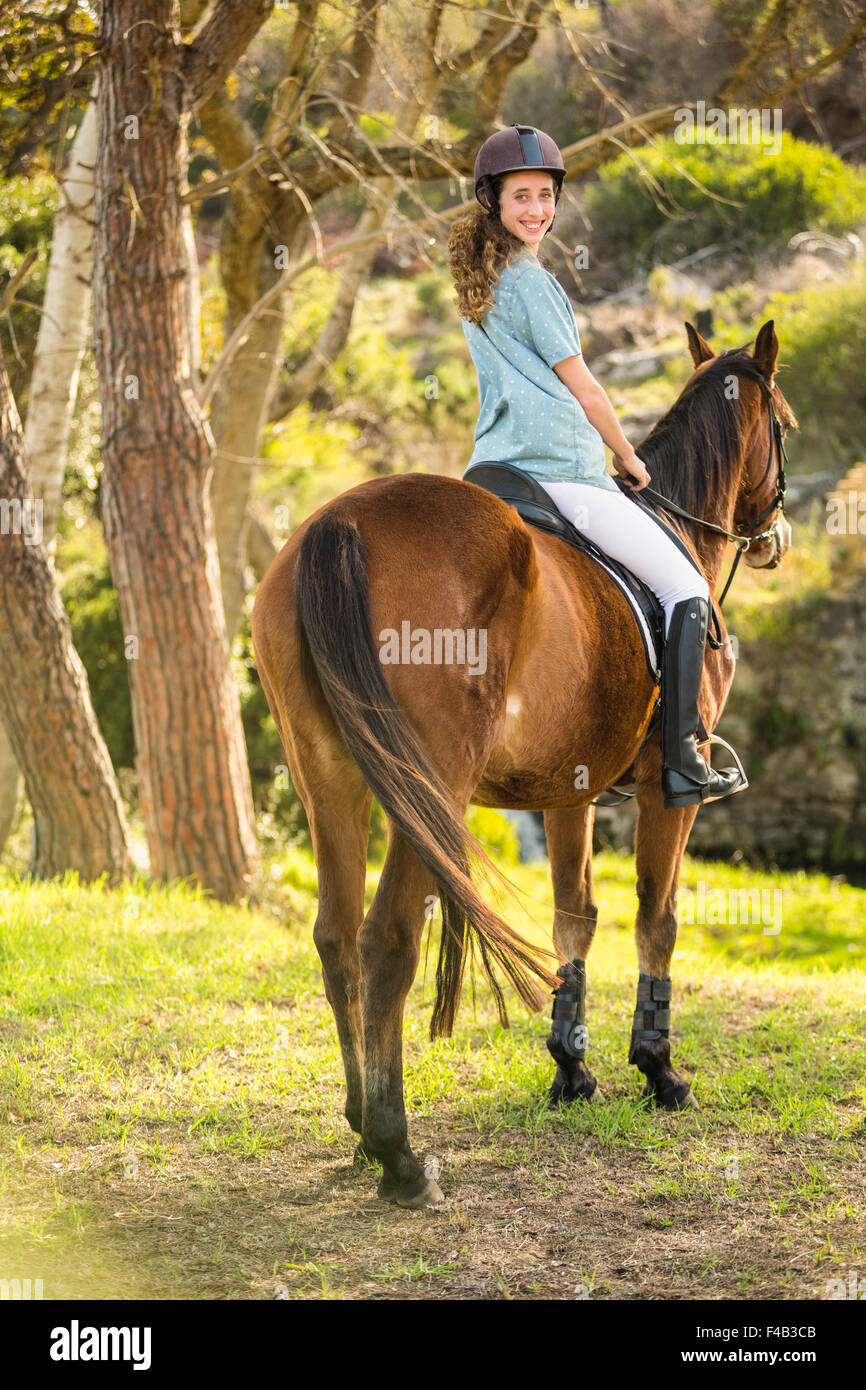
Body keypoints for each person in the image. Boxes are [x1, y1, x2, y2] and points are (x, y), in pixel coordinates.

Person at [447, 123, 746, 808]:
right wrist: (626, 453)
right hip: (562, 474)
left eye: (545, 196)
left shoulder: (478, 279)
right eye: (521, 196)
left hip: (494, 468)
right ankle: (681, 761)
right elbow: (583, 386)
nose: (536, 210)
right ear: (491, 201)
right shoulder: (532, 281)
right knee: (686, 591)